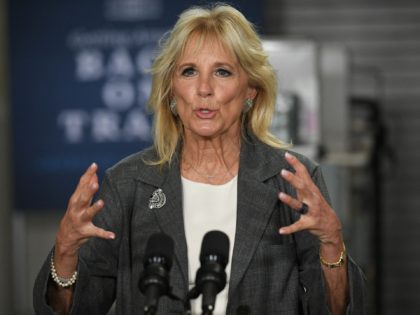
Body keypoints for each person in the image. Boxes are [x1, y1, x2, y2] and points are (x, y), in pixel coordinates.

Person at [34, 4, 366, 315]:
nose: (204, 89)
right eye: (189, 71)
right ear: (172, 91)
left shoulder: (291, 179)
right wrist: (64, 252)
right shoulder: (128, 184)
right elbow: (74, 308)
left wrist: (332, 243)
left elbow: (335, 309)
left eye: (222, 72)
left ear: (250, 90)